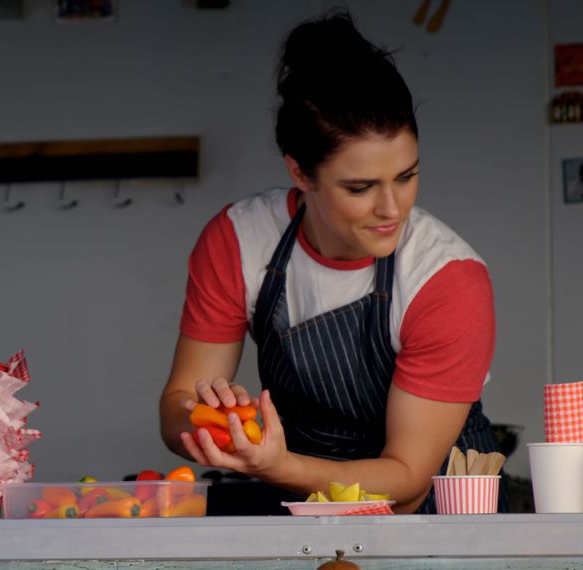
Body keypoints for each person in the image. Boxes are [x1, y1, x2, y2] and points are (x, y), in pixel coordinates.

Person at [158, 10, 506, 515]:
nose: (392, 208)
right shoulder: (239, 240)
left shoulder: (447, 279)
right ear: (300, 172)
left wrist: (275, 465)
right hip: (301, 504)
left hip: (433, 518)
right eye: (360, 188)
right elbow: (176, 406)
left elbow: (406, 482)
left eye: (406, 176)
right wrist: (219, 423)